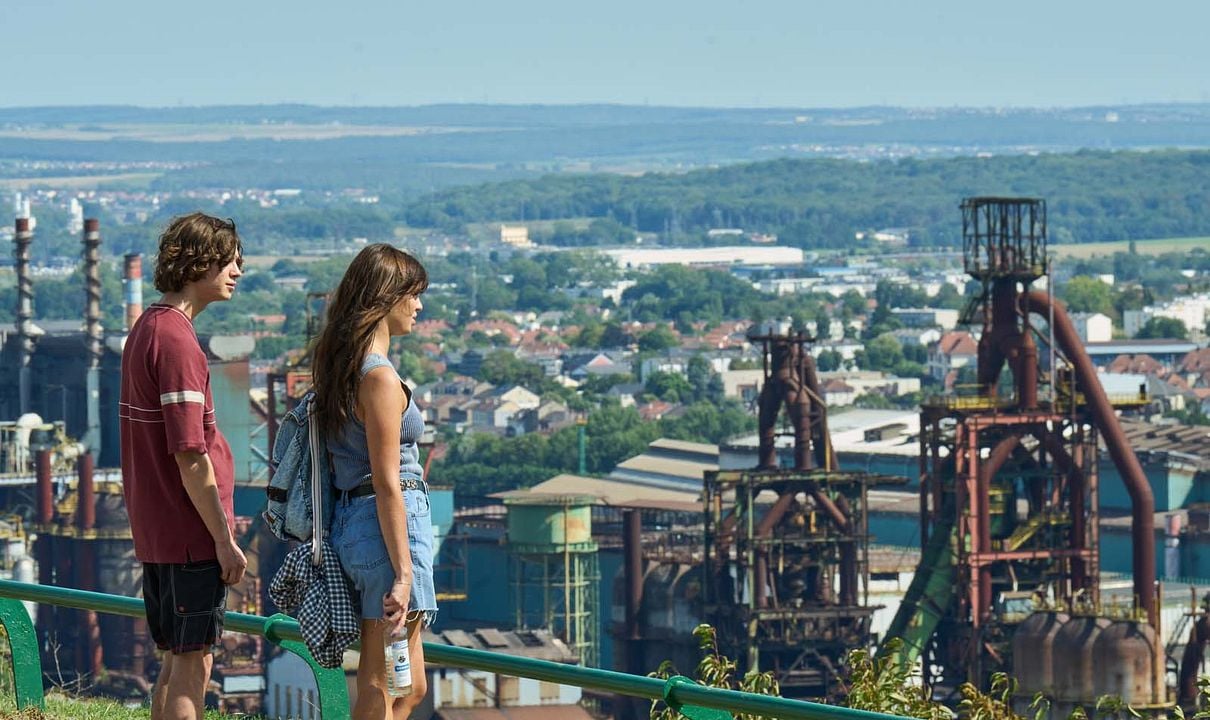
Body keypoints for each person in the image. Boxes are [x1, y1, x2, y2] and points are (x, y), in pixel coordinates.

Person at [119, 213, 247, 720]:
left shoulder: (147, 329)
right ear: (199, 261)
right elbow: (190, 453)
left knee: (175, 661)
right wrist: (222, 538)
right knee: (195, 665)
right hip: (189, 532)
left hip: (158, 528)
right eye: (230, 259)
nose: (237, 270)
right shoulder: (177, 343)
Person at [311, 243, 436, 720]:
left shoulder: (342, 365)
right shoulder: (379, 378)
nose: (419, 306)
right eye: (414, 295)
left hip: (359, 527)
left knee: (405, 683)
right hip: (387, 532)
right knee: (387, 681)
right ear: (386, 298)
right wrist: (404, 573)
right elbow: (387, 482)